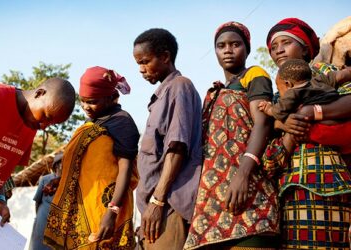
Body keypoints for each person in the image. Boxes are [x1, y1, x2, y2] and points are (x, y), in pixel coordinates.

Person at [184, 21, 280, 250]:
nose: (228, 50)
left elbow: (262, 123)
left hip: (249, 190)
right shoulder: (217, 90)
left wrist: (242, 174)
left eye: (235, 44)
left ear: (246, 48)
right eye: (221, 45)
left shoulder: (255, 74)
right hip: (215, 200)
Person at [0, 78, 76, 249]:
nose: (44, 126)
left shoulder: (31, 125)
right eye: (46, 116)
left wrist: (0, 200)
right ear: (39, 94)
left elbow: (1, 172)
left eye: (51, 124)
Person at [263, 17, 351, 249]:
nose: (278, 50)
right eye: (273, 47)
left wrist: (312, 112)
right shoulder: (277, 95)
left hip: (332, 186)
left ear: (304, 49)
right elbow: (270, 159)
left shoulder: (324, 72)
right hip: (289, 194)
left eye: (285, 42)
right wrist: (286, 129)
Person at [43, 66, 140, 250]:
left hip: (103, 210)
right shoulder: (93, 122)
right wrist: (60, 180)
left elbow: (125, 169)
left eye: (92, 101)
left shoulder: (122, 122)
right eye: (83, 101)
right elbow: (89, 166)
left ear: (111, 97)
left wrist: (112, 211)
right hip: (81, 210)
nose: (86, 107)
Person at [133, 28, 202, 250]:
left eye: (145, 62)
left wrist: (157, 200)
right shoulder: (162, 94)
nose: (141, 70)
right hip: (154, 209)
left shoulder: (180, 86)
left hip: (168, 206)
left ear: (165, 57)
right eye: (138, 64)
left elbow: (177, 146)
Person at [259, 58, 351, 154]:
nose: (281, 94)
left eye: (279, 88)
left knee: (303, 131)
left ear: (288, 84)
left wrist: (268, 108)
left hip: (324, 130)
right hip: (342, 123)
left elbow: (279, 111)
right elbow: (341, 75)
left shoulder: (292, 93)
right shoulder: (320, 80)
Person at [28, 152, 63, 250]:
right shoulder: (45, 179)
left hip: (58, 218)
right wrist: (38, 216)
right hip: (43, 214)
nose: (63, 165)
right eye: (61, 162)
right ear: (56, 165)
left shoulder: (67, 182)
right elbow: (37, 200)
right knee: (38, 242)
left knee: (53, 245)